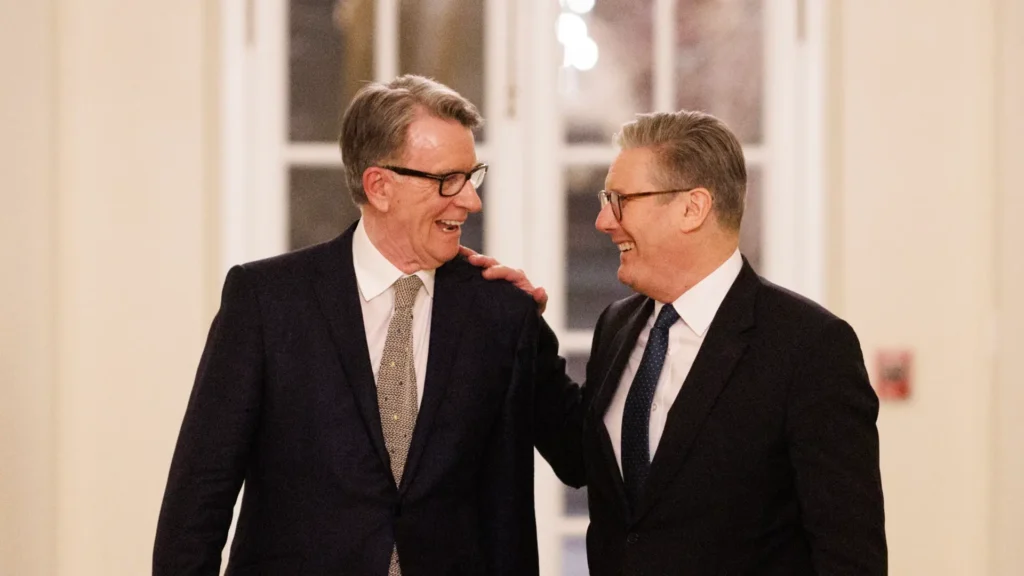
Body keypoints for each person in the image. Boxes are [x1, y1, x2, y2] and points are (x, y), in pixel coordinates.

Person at [154, 75, 544, 576]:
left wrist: (535, 328)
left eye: (473, 176)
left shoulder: (500, 312)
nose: (470, 201)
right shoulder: (266, 301)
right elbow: (197, 501)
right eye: (448, 180)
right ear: (379, 186)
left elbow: (559, 470)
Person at [472, 110, 888, 575]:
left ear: (693, 208)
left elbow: (850, 557)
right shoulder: (618, 324)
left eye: (620, 199)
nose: (603, 220)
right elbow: (580, 459)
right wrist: (519, 328)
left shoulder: (810, 348)